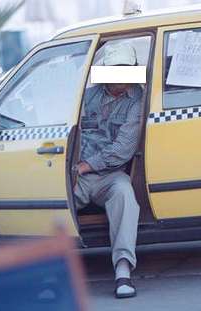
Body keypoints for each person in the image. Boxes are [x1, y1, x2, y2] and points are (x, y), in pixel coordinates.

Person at [73, 43, 142, 299]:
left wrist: (85, 166)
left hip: (109, 176)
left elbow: (122, 150)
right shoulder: (87, 95)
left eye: (126, 70)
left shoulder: (138, 101)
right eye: (115, 69)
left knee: (124, 195)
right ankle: (51, 274)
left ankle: (123, 271)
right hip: (76, 175)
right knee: (52, 202)